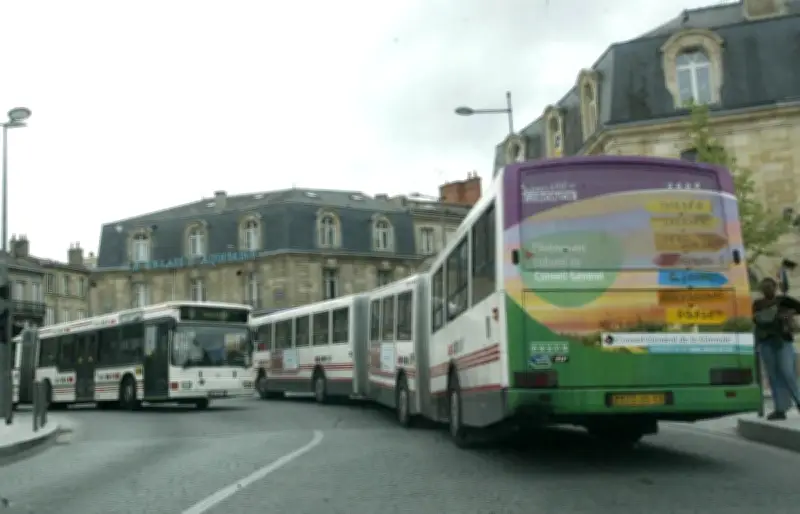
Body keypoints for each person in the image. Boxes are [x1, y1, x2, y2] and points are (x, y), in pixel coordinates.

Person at [753, 277, 800, 420]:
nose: (767, 289)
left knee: (787, 373)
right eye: (764, 287)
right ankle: (780, 409)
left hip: (782, 341)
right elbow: (757, 321)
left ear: (775, 287)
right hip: (766, 342)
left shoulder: (783, 300)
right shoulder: (758, 304)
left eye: (769, 286)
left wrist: (788, 314)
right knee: (773, 376)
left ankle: (798, 401)